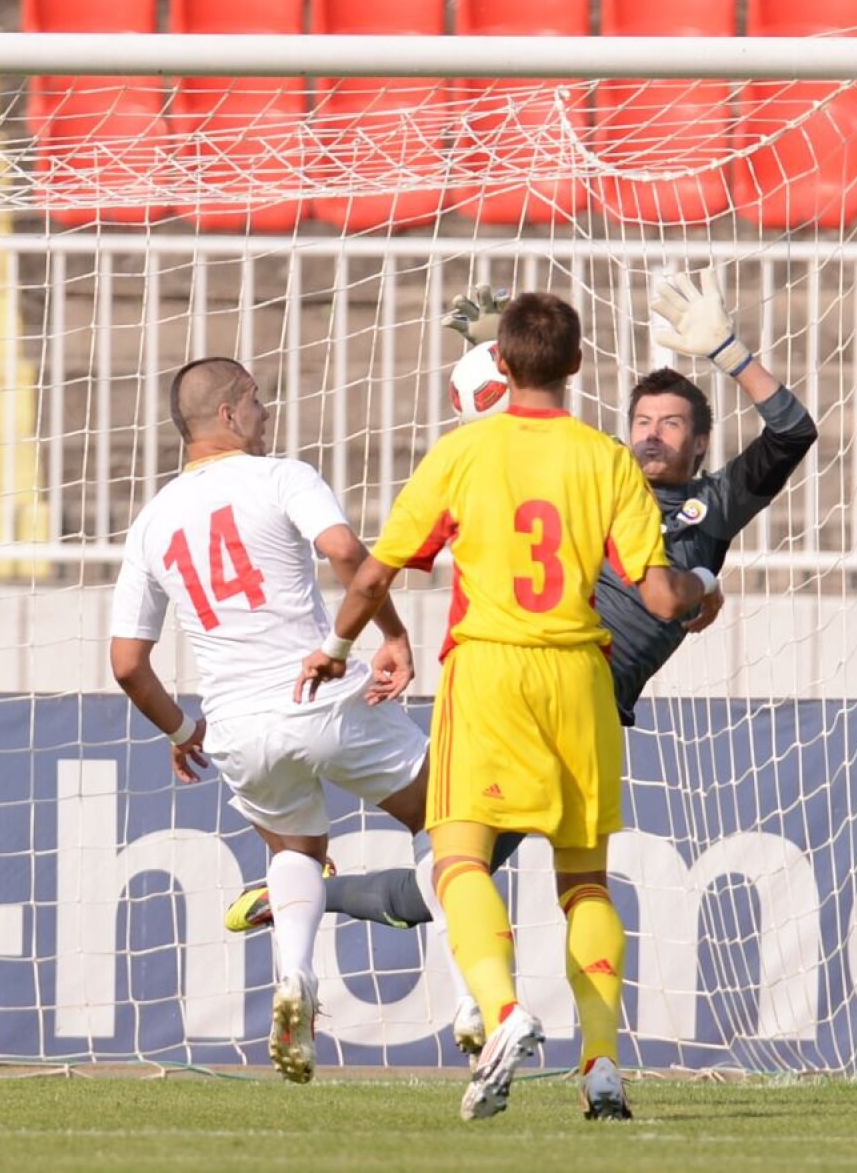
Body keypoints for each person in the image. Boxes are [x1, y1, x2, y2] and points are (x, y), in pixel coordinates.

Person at [229, 269, 819, 1069]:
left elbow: (791, 431)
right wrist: (700, 589)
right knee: (442, 883)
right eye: (641, 419)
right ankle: (310, 895)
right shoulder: (597, 465)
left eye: (672, 424)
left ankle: (319, 900)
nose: (650, 435)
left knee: (455, 876)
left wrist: (728, 351)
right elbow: (529, 441)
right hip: (555, 686)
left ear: (701, 443)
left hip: (567, 693)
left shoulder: (715, 502)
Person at [293, 293, 725, 1123]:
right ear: (575, 366)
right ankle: (601, 1065)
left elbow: (377, 572)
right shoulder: (605, 460)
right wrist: (704, 585)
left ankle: (501, 1011)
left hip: (490, 672)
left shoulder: (463, 454)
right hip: (579, 679)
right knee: (585, 881)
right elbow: (662, 596)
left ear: (501, 364)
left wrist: (340, 647)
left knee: (457, 859)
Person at [107, 356, 460, 1087]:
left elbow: (126, 663)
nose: (267, 415)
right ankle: (474, 1004)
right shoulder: (281, 477)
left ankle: (294, 978)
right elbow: (347, 556)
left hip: (235, 722)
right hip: (321, 695)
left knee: (294, 849)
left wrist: (181, 731)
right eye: (258, 402)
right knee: (455, 823)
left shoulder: (149, 524)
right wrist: (388, 635)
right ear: (231, 414)